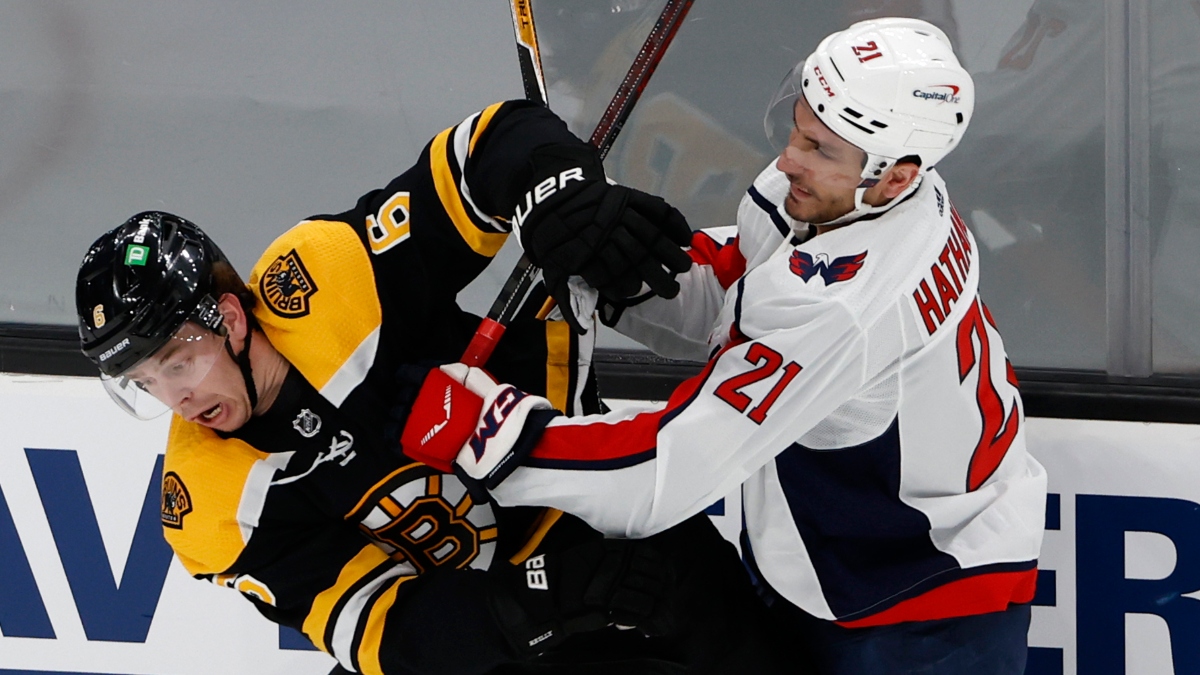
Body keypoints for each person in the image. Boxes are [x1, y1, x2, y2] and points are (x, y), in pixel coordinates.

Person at [399, 19, 1048, 675]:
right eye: (797, 128)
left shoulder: (848, 304)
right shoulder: (848, 197)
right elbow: (737, 292)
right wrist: (609, 259)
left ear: (897, 178)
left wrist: (486, 433)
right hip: (845, 553)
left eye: (820, 148)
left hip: (923, 608)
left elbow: (660, 473)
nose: (790, 158)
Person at [75, 101, 782, 674]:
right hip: (494, 633)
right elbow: (384, 631)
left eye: (177, 360)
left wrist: (554, 192)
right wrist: (537, 603)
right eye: (144, 382)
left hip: (593, 517)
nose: (177, 396)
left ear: (228, 316)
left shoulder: (322, 281)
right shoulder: (207, 503)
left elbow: (491, 145)